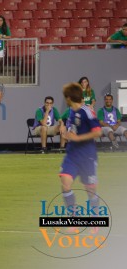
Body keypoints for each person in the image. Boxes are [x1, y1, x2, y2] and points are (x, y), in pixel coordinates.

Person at [59, 83, 102, 232]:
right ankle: (74, 219)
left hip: (87, 156)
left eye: (65, 97)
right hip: (72, 155)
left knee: (91, 190)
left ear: (69, 98)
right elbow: (72, 130)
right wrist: (65, 132)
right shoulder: (71, 111)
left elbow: (98, 132)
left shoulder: (87, 112)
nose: (65, 99)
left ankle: (95, 220)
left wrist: (78, 138)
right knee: (65, 182)